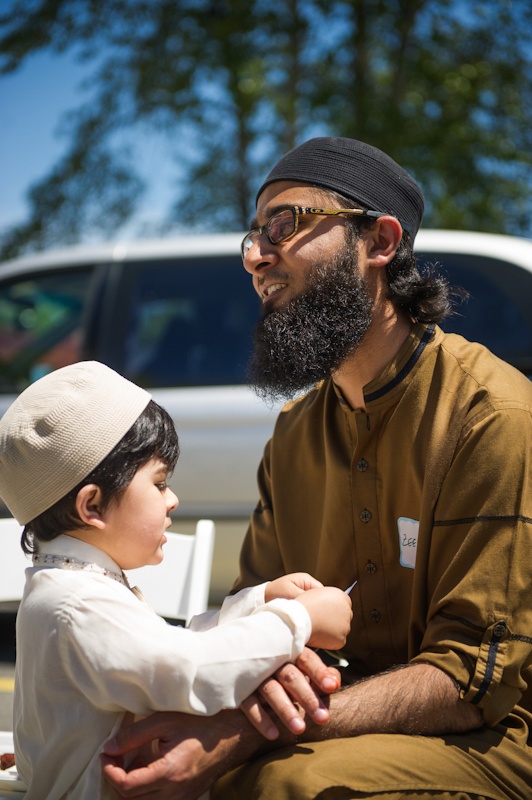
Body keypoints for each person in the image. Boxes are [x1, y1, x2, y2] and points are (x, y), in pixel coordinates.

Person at [101, 137, 532, 800]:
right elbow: (257, 626)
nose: (255, 256)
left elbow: (472, 680)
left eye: (286, 224)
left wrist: (248, 732)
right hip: (337, 718)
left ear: (379, 242)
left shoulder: (491, 414)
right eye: (253, 234)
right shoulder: (295, 433)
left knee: (286, 784)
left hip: (489, 737)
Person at [0, 360, 352, 800]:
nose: (173, 500)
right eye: (160, 483)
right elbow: (190, 668)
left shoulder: (71, 585)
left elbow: (166, 647)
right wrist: (296, 619)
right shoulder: (77, 606)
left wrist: (259, 600)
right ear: (92, 506)